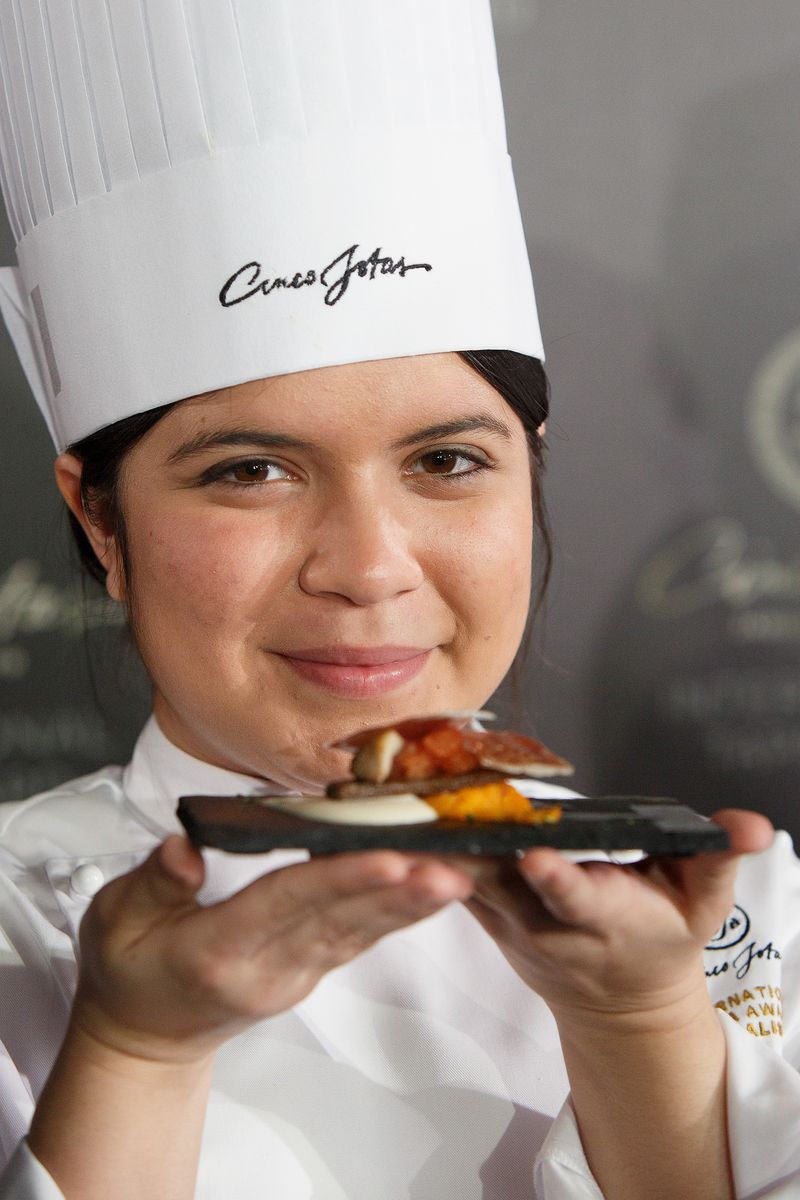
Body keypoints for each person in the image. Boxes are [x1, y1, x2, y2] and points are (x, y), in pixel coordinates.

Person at [0, 3, 798, 1199]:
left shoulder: (748, 914)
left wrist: (637, 1023)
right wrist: (135, 1050)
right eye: (249, 471)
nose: (369, 567)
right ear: (99, 518)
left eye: (446, 462)